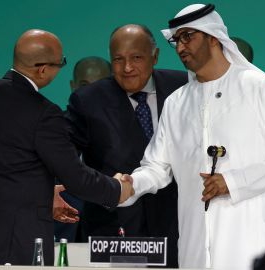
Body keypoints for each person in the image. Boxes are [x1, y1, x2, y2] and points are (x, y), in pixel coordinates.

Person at [119, 4, 265, 270]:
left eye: (187, 37)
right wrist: (130, 184)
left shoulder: (257, 86)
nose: (180, 48)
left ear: (213, 37)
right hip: (195, 243)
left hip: (251, 237)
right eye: (176, 41)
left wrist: (233, 182)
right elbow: (157, 167)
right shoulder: (177, 103)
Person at [0, 29, 133, 265]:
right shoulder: (43, 112)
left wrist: (42, 194)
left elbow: (7, 167)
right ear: (42, 69)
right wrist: (116, 189)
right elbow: (75, 177)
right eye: (59, 63)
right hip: (20, 240)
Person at [65, 24, 188, 267]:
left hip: (178, 228)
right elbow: (65, 155)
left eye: (136, 58)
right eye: (118, 60)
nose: (127, 68)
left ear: (155, 57)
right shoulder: (88, 100)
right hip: (113, 230)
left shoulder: (184, 88)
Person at [55, 56, 112, 242]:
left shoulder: (128, 130)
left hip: (109, 234)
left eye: (100, 85)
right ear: (72, 86)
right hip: (60, 233)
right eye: (84, 85)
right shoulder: (51, 128)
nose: (91, 93)